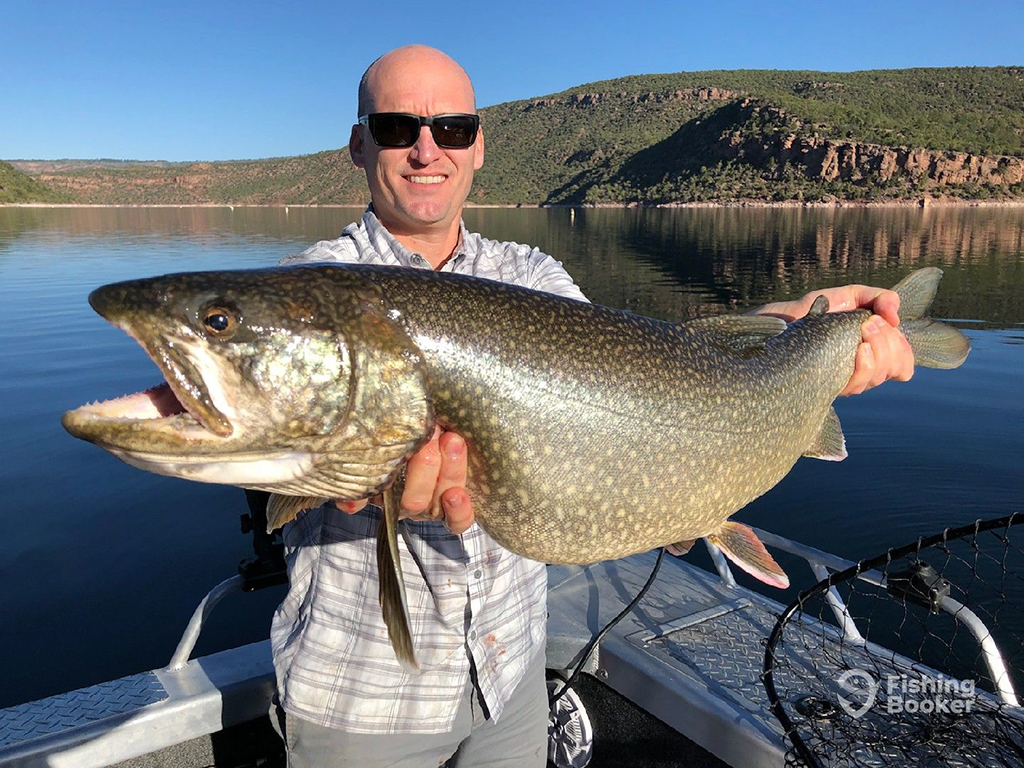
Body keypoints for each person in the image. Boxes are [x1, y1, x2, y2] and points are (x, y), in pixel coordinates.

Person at [270, 45, 914, 768]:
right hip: (363, 699)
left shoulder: (533, 274)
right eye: (396, 127)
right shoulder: (308, 295)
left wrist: (800, 332)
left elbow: (646, 378)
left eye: (450, 129)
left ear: (478, 145)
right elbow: (264, 453)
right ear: (358, 144)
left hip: (510, 674)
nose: (426, 149)